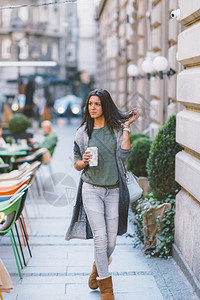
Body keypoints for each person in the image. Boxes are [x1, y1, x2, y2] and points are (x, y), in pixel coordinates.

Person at [65, 89, 139, 299]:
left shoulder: (115, 129)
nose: (93, 108)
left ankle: (97, 269)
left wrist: (126, 128)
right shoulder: (82, 133)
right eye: (90, 104)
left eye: (97, 104)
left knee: (111, 242)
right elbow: (77, 164)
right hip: (91, 190)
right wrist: (84, 161)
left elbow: (125, 154)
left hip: (114, 190)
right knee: (100, 238)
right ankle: (107, 290)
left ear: (104, 106)